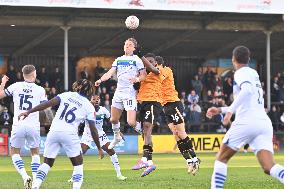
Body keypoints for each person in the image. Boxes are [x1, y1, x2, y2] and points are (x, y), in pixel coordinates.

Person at [206, 46, 284, 189]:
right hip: (263, 122)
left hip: (247, 122)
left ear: (233, 59)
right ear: (248, 59)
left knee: (221, 159)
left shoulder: (240, 73)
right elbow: (247, 100)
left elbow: (247, 91)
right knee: (269, 166)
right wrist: (221, 110)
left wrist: (229, 112)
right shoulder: (253, 73)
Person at [18, 79, 104, 189]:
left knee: (47, 163)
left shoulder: (66, 95)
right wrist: (99, 148)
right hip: (69, 133)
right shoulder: (89, 106)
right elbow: (93, 130)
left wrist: (28, 112)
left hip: (54, 131)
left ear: (78, 86)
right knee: (78, 164)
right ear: (90, 92)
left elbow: (46, 104)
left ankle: (35, 186)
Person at [0, 65, 47, 189]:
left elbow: (0, 95)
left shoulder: (16, 86)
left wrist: (3, 82)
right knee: (35, 153)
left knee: (14, 152)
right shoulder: (40, 89)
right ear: (33, 74)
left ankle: (25, 176)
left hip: (18, 124)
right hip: (33, 125)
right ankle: (36, 183)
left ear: (23, 74)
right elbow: (44, 107)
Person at [95, 38, 147, 149]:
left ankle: (143, 130)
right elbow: (109, 73)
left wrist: (137, 79)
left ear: (134, 48)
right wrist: (100, 80)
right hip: (118, 92)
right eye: (125, 44)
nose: (127, 46)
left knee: (131, 122)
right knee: (113, 119)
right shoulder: (118, 59)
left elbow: (144, 75)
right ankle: (117, 137)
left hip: (129, 93)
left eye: (129, 45)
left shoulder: (137, 59)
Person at [157, 56, 200, 175]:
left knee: (181, 133)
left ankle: (196, 159)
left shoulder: (166, 70)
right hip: (165, 107)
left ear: (157, 64)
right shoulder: (156, 74)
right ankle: (189, 161)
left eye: (153, 64)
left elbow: (159, 79)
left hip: (173, 104)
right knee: (175, 135)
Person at [71, 94, 127, 181]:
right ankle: (75, 176)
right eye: (94, 99)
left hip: (100, 134)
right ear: (91, 101)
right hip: (88, 135)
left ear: (100, 101)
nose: (96, 100)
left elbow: (112, 121)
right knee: (80, 152)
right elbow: (78, 122)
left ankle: (119, 175)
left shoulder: (103, 110)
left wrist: (118, 132)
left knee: (111, 151)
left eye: (98, 99)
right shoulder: (86, 110)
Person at [131, 53, 163, 177]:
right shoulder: (142, 74)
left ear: (155, 63)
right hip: (143, 103)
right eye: (146, 61)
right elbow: (136, 86)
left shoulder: (157, 71)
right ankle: (150, 162)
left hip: (153, 101)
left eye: (150, 61)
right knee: (145, 132)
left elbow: (151, 67)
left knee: (147, 126)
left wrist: (141, 58)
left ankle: (144, 159)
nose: (147, 63)